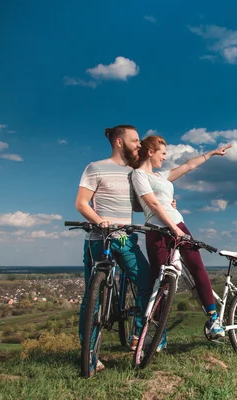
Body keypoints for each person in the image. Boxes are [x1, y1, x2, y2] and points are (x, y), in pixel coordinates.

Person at [131, 134, 232, 351]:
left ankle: (213, 319)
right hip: (158, 230)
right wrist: (173, 229)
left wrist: (212, 153)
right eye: (163, 153)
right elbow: (153, 204)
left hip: (178, 225)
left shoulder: (161, 176)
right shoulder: (139, 175)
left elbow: (187, 166)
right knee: (160, 283)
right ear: (151, 152)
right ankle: (159, 334)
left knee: (196, 266)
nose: (165, 158)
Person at [74, 125, 152, 372]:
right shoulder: (95, 168)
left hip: (126, 239)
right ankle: (89, 355)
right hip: (100, 239)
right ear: (120, 142)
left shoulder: (133, 173)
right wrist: (100, 221)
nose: (139, 144)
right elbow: (81, 203)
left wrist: (164, 202)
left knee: (146, 282)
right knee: (92, 298)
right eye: (135, 140)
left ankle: (138, 336)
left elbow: (139, 206)